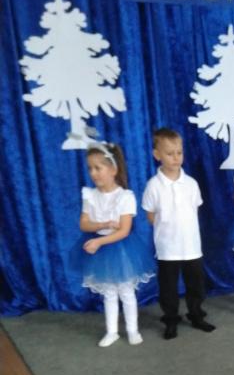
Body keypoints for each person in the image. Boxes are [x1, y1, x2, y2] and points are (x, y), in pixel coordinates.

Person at [77, 142, 154, 347]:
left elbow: (124, 230)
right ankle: (112, 331)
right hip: (102, 249)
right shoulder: (90, 195)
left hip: (121, 248)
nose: (93, 173)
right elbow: (84, 223)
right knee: (109, 293)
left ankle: (132, 330)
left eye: (98, 168)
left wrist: (99, 240)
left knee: (126, 291)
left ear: (113, 169)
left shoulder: (125, 197)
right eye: (90, 168)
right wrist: (103, 225)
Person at [142, 127, 215, 340]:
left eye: (179, 152)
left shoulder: (191, 184)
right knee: (168, 288)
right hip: (167, 248)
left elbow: (194, 209)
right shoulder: (153, 185)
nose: (175, 157)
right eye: (169, 153)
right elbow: (150, 215)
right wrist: (167, 229)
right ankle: (171, 319)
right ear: (157, 155)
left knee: (196, 284)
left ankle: (196, 314)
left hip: (191, 246)